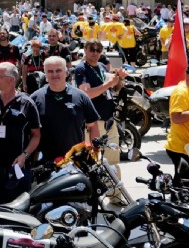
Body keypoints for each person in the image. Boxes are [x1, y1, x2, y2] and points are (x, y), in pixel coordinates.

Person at [0, 63, 41, 204]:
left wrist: (25, 155)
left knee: (18, 208)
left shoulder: (27, 103)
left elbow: (36, 135)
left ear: (10, 80)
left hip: (18, 166)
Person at [31, 56, 100, 163]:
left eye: (58, 70)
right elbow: (30, 132)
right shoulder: (35, 98)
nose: (54, 74)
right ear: (45, 75)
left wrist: (94, 153)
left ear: (66, 72)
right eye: (50, 71)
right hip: (45, 163)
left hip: (75, 161)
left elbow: (93, 125)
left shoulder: (81, 96)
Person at [73, 39, 125, 170]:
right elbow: (87, 93)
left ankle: (116, 190)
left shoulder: (102, 66)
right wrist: (108, 84)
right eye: (92, 49)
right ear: (85, 50)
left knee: (113, 160)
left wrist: (120, 78)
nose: (95, 53)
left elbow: (114, 90)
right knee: (94, 161)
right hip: (95, 122)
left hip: (109, 120)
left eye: (98, 50)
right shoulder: (81, 69)